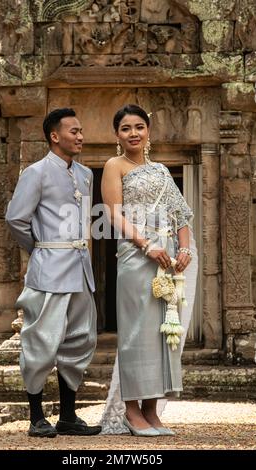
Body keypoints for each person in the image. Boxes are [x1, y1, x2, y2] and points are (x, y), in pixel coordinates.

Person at [5, 108, 102, 438]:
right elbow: (16, 219)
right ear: (54, 136)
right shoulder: (36, 172)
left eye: (81, 130)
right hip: (49, 269)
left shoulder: (86, 174)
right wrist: (40, 250)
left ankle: (68, 417)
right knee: (41, 340)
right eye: (73, 131)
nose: (80, 136)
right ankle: (36, 417)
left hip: (80, 269)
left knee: (80, 341)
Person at [100, 104, 195, 437]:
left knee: (161, 333)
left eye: (139, 127)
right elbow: (114, 215)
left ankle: (152, 411)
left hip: (165, 260)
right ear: (117, 135)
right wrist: (146, 245)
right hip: (135, 256)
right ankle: (131, 411)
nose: (133, 133)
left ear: (149, 131)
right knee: (136, 332)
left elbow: (181, 215)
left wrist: (184, 249)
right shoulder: (115, 166)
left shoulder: (162, 171)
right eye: (126, 128)